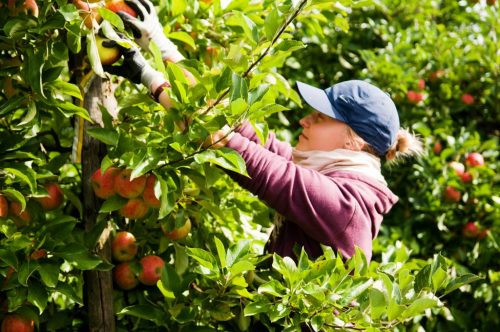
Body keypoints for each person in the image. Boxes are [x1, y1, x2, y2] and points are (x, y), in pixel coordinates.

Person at [103, 0, 422, 262]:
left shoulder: (347, 206)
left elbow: (224, 142)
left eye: (320, 118)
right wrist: (159, 44)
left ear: (355, 141)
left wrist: (150, 76)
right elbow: (235, 126)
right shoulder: (322, 172)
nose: (304, 122)